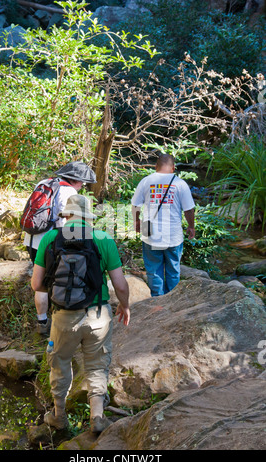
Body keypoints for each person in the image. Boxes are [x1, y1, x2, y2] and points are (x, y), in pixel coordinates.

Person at [31, 194, 130, 434]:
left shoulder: (51, 239)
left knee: (60, 363)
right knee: (97, 365)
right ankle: (97, 416)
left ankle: (59, 417)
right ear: (89, 217)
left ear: (66, 215)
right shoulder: (103, 238)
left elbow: (36, 284)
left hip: (63, 317)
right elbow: (120, 285)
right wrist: (124, 306)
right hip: (98, 315)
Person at [24, 161, 97, 335]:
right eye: (82, 182)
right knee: (60, 280)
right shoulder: (69, 192)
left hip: (32, 240)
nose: (82, 186)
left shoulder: (43, 183)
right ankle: (59, 323)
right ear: (75, 180)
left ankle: (42, 322)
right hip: (52, 243)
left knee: (41, 283)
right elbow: (66, 222)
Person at [131, 152, 195, 296]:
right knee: (173, 270)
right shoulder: (180, 184)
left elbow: (135, 205)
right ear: (173, 168)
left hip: (150, 233)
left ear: (155, 166)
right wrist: (191, 227)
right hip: (173, 234)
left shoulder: (146, 181)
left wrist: (136, 221)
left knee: (154, 271)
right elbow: (189, 209)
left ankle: (158, 302)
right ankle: (172, 301)